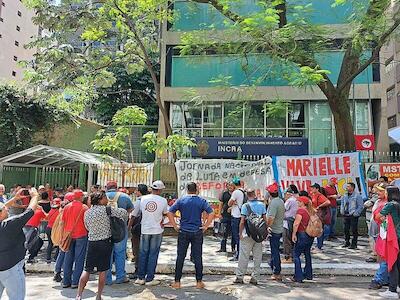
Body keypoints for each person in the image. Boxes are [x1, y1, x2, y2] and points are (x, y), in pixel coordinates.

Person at [76, 191, 128, 300]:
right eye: (105, 197)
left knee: (87, 269)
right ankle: (98, 295)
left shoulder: (87, 212)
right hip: (105, 243)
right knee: (102, 271)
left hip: (92, 243)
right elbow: (124, 214)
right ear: (100, 199)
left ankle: (79, 295)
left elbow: (87, 227)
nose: (107, 199)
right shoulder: (107, 210)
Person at [168, 182, 214, 289]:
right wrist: (206, 226)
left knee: (180, 256)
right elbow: (211, 213)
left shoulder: (181, 200)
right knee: (197, 256)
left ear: (187, 189)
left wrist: (175, 225)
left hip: (183, 230)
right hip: (197, 231)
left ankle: (177, 282)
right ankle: (199, 282)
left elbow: (170, 212)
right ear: (196, 189)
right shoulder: (201, 201)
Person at [0, 189, 39, 300]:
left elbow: (3, 207)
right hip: (11, 268)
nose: (7, 209)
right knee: (17, 297)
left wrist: (14, 199)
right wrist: (35, 196)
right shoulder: (9, 225)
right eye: (4, 209)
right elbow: (30, 211)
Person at [132, 180, 168, 286]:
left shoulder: (142, 199)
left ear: (151, 188)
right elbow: (165, 214)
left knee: (143, 253)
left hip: (145, 229)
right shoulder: (163, 201)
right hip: (157, 230)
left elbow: (135, 213)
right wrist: (163, 222)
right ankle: (150, 278)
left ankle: (140, 277)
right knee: (153, 253)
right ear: (160, 190)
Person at [233, 189, 267, 285]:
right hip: (259, 234)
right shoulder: (261, 205)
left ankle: (240, 277)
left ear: (247, 196)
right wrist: (265, 232)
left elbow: (242, 221)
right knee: (257, 256)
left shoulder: (245, 206)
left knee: (244, 255)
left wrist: (240, 233)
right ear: (255, 194)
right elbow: (265, 220)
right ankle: (255, 277)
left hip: (247, 234)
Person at [105, 181, 134, 285]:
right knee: (120, 253)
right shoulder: (124, 196)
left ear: (106, 188)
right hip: (121, 228)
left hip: (105, 229)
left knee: (107, 254)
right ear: (116, 187)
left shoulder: (103, 196)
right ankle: (120, 276)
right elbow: (131, 209)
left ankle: (107, 279)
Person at [62, 189, 88, 289]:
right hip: (81, 235)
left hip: (68, 235)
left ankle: (65, 281)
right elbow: (87, 222)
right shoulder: (84, 208)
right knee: (79, 259)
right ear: (81, 197)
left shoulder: (66, 207)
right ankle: (75, 282)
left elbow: (63, 221)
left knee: (68, 258)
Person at [377, 186, 400, 298]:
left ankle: (392, 290)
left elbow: (379, 216)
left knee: (392, 263)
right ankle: (398, 286)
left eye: (385, 192)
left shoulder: (390, 205)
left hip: (394, 238)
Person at [369, 183, 389, 290]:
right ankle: (387, 279)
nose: (378, 192)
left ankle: (378, 279)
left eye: (381, 191)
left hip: (386, 235)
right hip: (378, 233)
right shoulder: (378, 201)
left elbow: (380, 217)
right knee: (383, 258)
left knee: (385, 258)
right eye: (377, 190)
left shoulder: (389, 204)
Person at [291, 196, 315, 283]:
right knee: (307, 254)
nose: (297, 203)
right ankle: (308, 274)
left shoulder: (300, 211)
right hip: (310, 235)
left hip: (302, 234)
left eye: (298, 201)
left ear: (302, 202)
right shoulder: (311, 211)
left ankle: (298, 276)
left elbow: (296, 224)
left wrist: (294, 234)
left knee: (296, 255)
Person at [128, 184, 149, 280]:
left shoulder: (139, 201)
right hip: (148, 228)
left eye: (136, 190)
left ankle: (138, 270)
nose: (135, 192)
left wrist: (128, 227)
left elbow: (133, 216)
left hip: (138, 229)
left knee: (137, 249)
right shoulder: (149, 199)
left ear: (139, 191)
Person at [266, 182, 285, 281]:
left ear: (269, 193)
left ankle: (277, 272)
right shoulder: (280, 201)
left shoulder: (273, 203)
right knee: (274, 250)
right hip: (279, 228)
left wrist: (267, 226)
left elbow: (271, 218)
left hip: (274, 230)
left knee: (275, 252)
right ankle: (273, 265)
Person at [340, 183, 364, 249]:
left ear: (352, 188)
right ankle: (347, 242)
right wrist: (342, 210)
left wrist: (356, 213)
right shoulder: (344, 195)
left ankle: (354, 244)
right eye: (346, 186)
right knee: (345, 229)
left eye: (348, 186)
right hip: (345, 214)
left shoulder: (357, 196)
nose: (346, 188)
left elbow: (360, 206)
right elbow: (342, 203)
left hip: (353, 215)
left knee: (354, 230)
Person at [228, 178, 245, 261]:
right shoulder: (244, 191)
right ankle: (241, 254)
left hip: (236, 216)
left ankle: (238, 255)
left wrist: (232, 203)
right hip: (243, 215)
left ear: (234, 185)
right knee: (241, 235)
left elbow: (229, 203)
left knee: (236, 236)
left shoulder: (236, 192)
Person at [310, 183, 331, 251]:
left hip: (319, 216)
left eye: (313, 188)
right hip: (315, 215)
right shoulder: (313, 195)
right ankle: (318, 245)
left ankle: (319, 246)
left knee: (319, 230)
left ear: (317, 189)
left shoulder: (320, 195)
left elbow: (328, 202)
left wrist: (319, 206)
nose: (311, 189)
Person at [282, 185, 298, 263]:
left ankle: (287, 257)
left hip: (287, 221)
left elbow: (283, 209)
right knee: (291, 239)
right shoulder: (295, 200)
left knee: (286, 239)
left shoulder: (289, 201)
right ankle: (292, 255)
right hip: (293, 220)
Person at [217, 182, 234, 253]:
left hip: (234, 215)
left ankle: (233, 248)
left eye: (231, 185)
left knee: (234, 233)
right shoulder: (224, 194)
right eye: (229, 185)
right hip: (225, 215)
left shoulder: (236, 193)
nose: (230, 187)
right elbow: (221, 203)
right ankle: (222, 248)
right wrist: (219, 213)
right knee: (224, 232)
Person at [46, 198, 61, 263]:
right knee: (58, 244)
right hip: (55, 229)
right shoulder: (59, 212)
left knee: (50, 243)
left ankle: (48, 258)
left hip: (48, 228)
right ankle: (56, 258)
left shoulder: (51, 210)